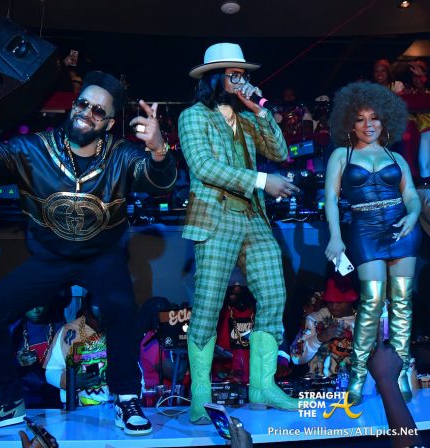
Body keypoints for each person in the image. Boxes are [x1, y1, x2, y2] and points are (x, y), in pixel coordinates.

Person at [0, 70, 176, 435]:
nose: (86, 113)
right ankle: (8, 399)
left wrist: (159, 149)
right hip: (51, 257)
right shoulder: (32, 149)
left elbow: (160, 184)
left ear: (109, 123)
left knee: (121, 308)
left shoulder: (121, 154)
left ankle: (126, 397)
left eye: (97, 111)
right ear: (73, 106)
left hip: (101, 256)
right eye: (83, 104)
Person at [178, 42, 300, 424]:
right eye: (234, 74)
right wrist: (262, 180)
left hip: (253, 218)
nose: (241, 79)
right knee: (208, 304)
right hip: (216, 218)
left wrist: (259, 110)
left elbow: (280, 151)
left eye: (243, 74)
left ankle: (263, 386)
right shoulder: (193, 116)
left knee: (274, 294)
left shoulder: (247, 117)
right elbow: (203, 166)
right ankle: (200, 395)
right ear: (215, 78)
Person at [325, 81, 422, 404]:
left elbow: (411, 195)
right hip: (364, 230)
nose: (369, 125)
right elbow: (330, 199)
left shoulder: (396, 157)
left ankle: (400, 371)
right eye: (361, 119)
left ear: (385, 120)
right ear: (350, 123)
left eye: (375, 117)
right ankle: (357, 375)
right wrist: (335, 236)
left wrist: (413, 215)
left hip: (401, 228)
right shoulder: (342, 155)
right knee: (372, 301)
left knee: (403, 302)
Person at [290, 276, 357, 377]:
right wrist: (319, 338)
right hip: (316, 384)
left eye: (339, 302)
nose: (334, 306)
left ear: (350, 300)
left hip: (353, 384)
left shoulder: (364, 322)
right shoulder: (315, 319)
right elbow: (296, 358)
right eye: (330, 302)